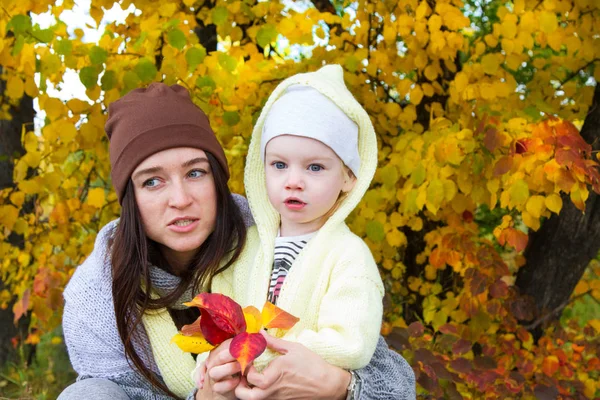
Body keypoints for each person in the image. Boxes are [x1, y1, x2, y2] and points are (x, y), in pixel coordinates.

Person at [58, 82, 416, 400]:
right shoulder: (97, 295)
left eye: (195, 172)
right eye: (152, 181)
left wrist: (338, 386)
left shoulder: (268, 235)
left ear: (218, 178)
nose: (180, 199)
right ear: (129, 198)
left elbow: (395, 380)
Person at [199, 64, 384, 388]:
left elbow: (351, 343)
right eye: (280, 165)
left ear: (348, 177)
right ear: (262, 166)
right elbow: (220, 323)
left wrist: (264, 352)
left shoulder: (348, 256)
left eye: (315, 167)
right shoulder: (244, 248)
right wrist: (208, 361)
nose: (293, 182)